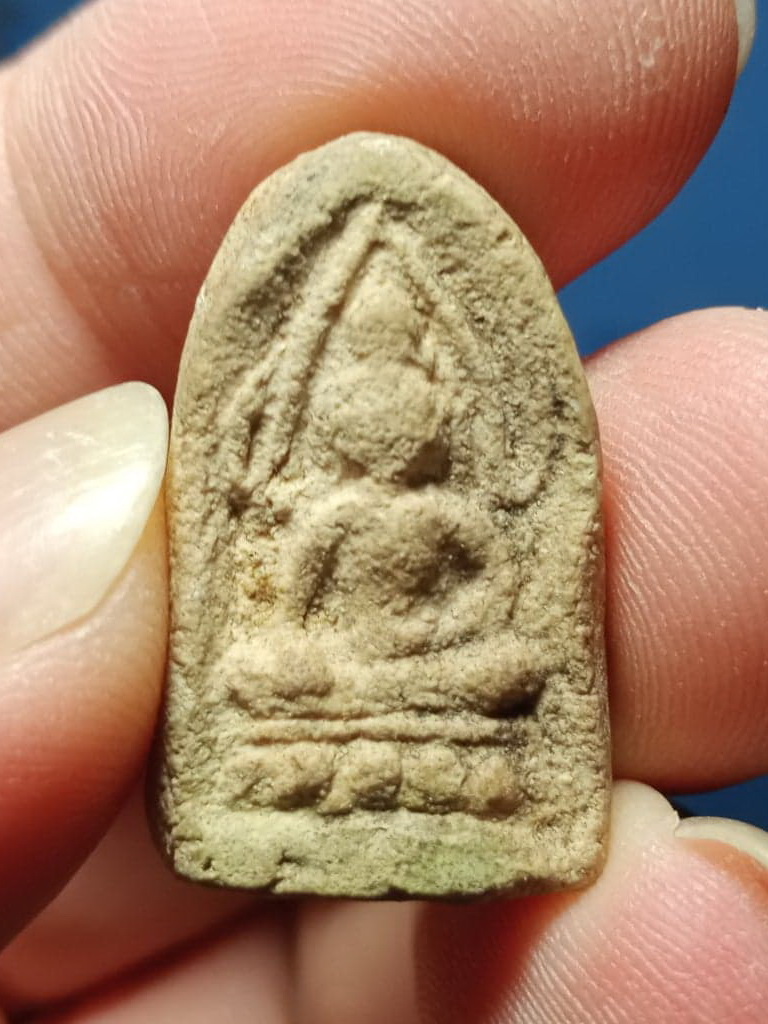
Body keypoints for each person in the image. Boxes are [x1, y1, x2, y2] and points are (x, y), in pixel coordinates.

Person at [0, 0, 765, 1020]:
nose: (388, 425)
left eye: (405, 401)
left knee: (505, 671)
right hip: (337, 696)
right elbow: (288, 612)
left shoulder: (452, 517)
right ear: (332, 420)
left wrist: (446, 643)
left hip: (432, 691)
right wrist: (318, 661)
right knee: (266, 673)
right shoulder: (327, 519)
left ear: (439, 410)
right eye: (361, 404)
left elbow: (497, 596)